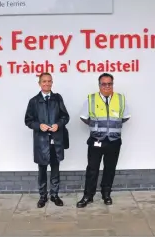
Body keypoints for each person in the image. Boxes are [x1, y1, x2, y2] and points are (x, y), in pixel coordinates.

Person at [76, 73, 131, 208]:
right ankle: (88, 196)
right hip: (96, 140)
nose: (107, 86)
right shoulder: (91, 99)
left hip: (114, 140)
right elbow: (83, 117)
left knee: (110, 169)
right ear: (99, 85)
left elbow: (125, 117)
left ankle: (106, 194)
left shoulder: (120, 98)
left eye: (109, 84)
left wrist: (112, 126)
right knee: (92, 169)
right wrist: (96, 127)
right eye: (104, 84)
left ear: (113, 84)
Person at [24, 72, 70, 208]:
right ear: (39, 83)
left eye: (49, 81)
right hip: (41, 142)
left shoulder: (57, 98)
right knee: (42, 171)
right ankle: (43, 196)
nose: (47, 83)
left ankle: (55, 195)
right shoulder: (33, 101)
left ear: (52, 82)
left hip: (56, 141)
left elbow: (65, 117)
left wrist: (58, 125)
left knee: (55, 170)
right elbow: (28, 121)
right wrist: (39, 126)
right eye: (44, 81)